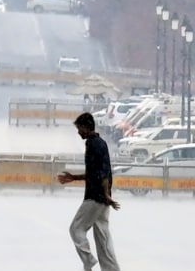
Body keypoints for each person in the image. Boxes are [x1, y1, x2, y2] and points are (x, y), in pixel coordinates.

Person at [57, 112, 121, 271]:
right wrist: (74, 177)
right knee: (102, 237)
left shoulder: (93, 144)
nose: (78, 132)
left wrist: (105, 194)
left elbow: (104, 171)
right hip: (102, 197)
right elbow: (96, 172)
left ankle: (88, 260)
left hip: (96, 196)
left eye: (79, 129)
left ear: (86, 127)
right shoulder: (100, 142)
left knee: (76, 229)